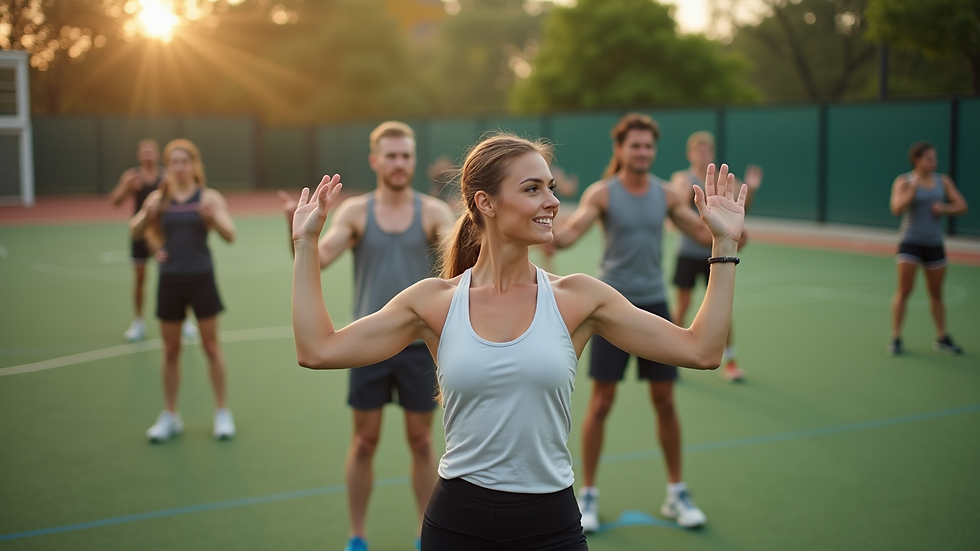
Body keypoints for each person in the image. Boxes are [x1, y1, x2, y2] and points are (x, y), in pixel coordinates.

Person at [290, 132, 747, 550]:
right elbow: (318, 349)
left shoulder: (579, 298)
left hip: (551, 526)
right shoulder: (434, 302)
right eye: (533, 189)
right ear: (486, 203)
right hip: (456, 524)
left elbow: (701, 350)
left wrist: (723, 245)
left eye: (550, 187)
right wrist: (307, 244)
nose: (551, 201)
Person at [279, 122, 456, 551]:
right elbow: (318, 258)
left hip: (419, 349)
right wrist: (303, 235)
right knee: (364, 441)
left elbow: (458, 262)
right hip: (368, 345)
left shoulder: (433, 213)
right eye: (390, 155)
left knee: (420, 441)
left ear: (413, 161)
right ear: (375, 160)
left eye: (406, 156)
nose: (399, 163)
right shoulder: (355, 213)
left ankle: (423, 534)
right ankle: (357, 536)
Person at [551, 114, 716, 531]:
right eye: (635, 145)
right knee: (602, 403)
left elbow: (700, 233)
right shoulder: (602, 194)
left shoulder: (665, 193)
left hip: (653, 307)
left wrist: (728, 230)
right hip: (610, 311)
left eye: (648, 146)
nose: (642, 152)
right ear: (620, 149)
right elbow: (570, 234)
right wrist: (545, 227)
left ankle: (676, 492)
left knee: (665, 401)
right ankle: (586, 496)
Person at [130, 139, 237, 442]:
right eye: (173, 162)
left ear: (194, 164)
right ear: (169, 166)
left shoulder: (209, 197)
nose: (179, 167)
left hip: (201, 277)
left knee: (211, 347)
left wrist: (212, 218)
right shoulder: (159, 198)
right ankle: (170, 416)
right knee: (171, 351)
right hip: (170, 280)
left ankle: (221, 413)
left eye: (184, 161)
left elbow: (230, 234)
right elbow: (136, 230)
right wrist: (151, 231)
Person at [670, 131, 762, 382]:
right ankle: (672, 358)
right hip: (689, 252)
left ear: (712, 153)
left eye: (707, 150)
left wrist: (751, 189)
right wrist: (694, 192)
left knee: (722, 309)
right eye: (698, 151)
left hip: (718, 254)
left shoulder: (725, 181)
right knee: (684, 305)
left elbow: (742, 208)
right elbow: (677, 203)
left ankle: (731, 362)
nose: (702, 154)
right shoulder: (682, 178)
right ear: (690, 154)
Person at [109, 139, 198, 342]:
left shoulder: (166, 177)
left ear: (158, 156)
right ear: (139, 156)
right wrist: (127, 188)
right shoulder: (132, 177)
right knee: (140, 279)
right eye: (144, 152)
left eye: (151, 152)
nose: (148, 155)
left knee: (175, 277)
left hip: (162, 234)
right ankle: (139, 322)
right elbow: (115, 201)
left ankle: (185, 321)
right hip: (141, 233)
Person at [888, 142, 968, 355]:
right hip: (910, 241)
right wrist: (912, 190)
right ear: (917, 160)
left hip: (934, 243)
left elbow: (962, 205)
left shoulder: (943, 181)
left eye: (935, 158)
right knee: (904, 289)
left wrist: (944, 209)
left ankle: (942, 337)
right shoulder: (904, 181)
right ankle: (896, 338)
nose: (934, 162)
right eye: (929, 159)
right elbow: (896, 208)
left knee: (936, 292)